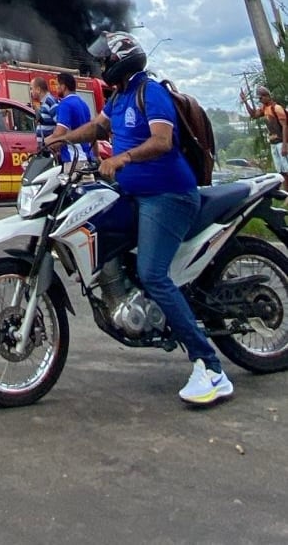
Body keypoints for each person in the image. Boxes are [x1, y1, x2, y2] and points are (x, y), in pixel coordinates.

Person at [46, 31, 233, 406]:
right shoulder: (118, 98)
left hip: (168, 197)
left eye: (104, 61)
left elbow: (162, 141)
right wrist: (62, 141)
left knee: (153, 274)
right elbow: (98, 128)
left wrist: (122, 159)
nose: (101, 68)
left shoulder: (151, 93)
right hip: (136, 195)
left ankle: (211, 368)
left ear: (120, 61)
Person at [239, 85, 288, 191]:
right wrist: (246, 102)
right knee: (282, 171)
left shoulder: (277, 108)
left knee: (287, 169)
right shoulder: (265, 109)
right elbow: (253, 114)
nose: (260, 100)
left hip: (281, 142)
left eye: (261, 98)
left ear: (267, 96)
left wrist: (284, 145)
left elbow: (285, 126)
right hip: (273, 143)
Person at [50, 71, 94, 162]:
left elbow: (59, 133)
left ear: (63, 86)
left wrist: (46, 142)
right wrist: (97, 155)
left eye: (57, 84)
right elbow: (93, 133)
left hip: (73, 160)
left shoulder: (65, 104)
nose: (56, 88)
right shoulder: (84, 104)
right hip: (88, 158)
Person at [30, 76, 58, 143]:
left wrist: (52, 140)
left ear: (38, 90)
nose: (31, 92)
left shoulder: (50, 102)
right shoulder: (43, 103)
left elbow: (60, 124)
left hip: (50, 147)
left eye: (31, 88)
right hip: (44, 147)